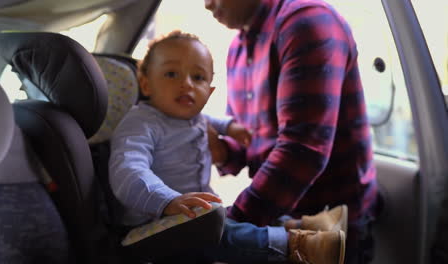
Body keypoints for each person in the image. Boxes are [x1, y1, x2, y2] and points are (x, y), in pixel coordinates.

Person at [109, 30, 346, 264]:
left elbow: (212, 120)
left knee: (227, 220)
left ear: (209, 92)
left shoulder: (192, 116)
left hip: (190, 215)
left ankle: (302, 226)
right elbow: (128, 171)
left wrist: (231, 127)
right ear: (146, 83)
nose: (187, 84)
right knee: (224, 234)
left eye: (198, 78)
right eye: (172, 74)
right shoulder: (140, 122)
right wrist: (165, 201)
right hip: (150, 223)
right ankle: (297, 246)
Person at [203, 0, 380, 263]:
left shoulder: (306, 21)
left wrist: (228, 225)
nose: (207, 4)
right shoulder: (237, 49)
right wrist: (219, 148)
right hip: (280, 219)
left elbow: (303, 151)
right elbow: (248, 140)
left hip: (334, 225)